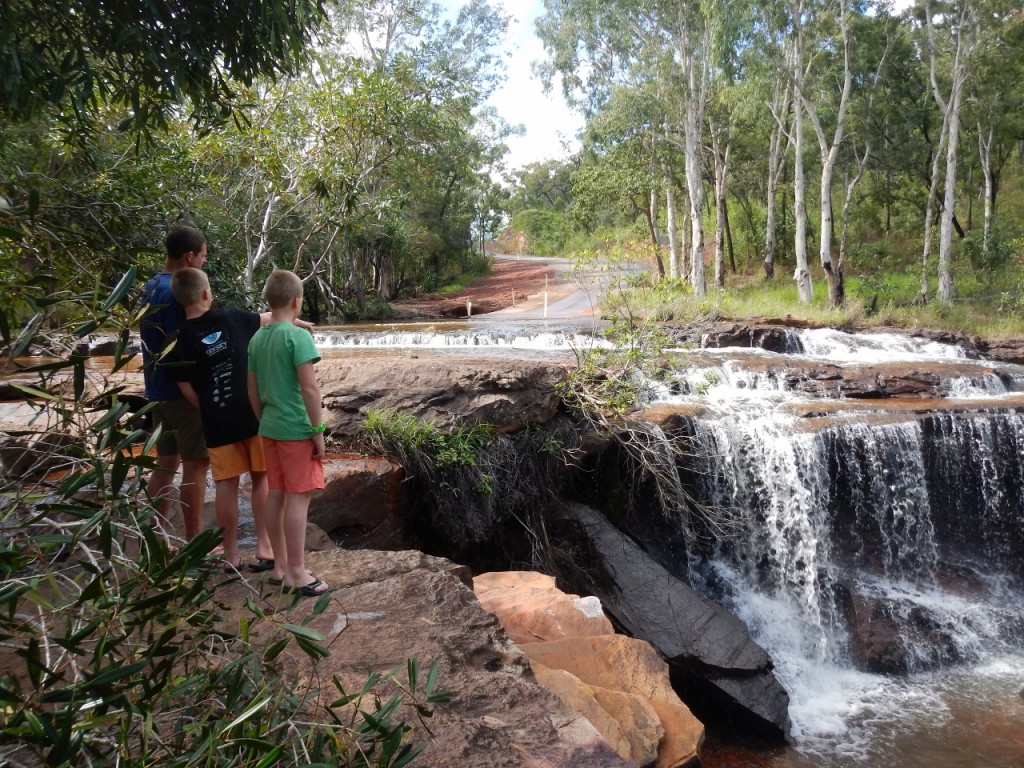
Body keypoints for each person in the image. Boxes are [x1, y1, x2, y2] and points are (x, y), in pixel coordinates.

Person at [167, 267, 277, 572]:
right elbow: (268, 318)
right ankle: (264, 546)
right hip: (252, 413)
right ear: (206, 293)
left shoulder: (177, 340)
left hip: (217, 421)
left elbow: (186, 388)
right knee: (261, 478)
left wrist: (209, 406)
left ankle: (230, 553)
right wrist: (299, 320)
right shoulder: (230, 316)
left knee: (226, 485)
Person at [247, 270, 330, 597]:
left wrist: (265, 420)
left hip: (270, 428)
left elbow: (251, 391)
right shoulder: (298, 337)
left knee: (277, 493)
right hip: (296, 429)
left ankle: (280, 567)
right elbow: (309, 389)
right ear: (297, 301)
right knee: (298, 497)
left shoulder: (257, 338)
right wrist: (317, 430)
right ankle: (298, 572)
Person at [139, 225, 210, 541]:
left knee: (166, 463)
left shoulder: (152, 284)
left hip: (158, 389)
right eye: (204, 255)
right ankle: (195, 543)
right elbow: (188, 345)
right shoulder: (177, 294)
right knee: (196, 465)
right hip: (185, 395)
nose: (204, 262)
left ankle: (154, 538)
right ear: (189, 256)